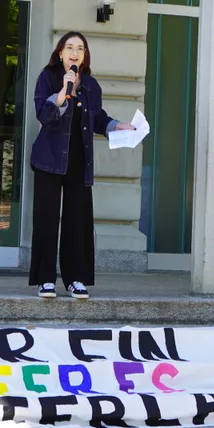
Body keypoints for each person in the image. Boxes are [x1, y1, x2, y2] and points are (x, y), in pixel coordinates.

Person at [29, 32, 134, 300]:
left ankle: (75, 279)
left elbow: (97, 118)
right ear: (60, 53)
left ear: (85, 55)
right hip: (49, 160)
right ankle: (45, 280)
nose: (75, 53)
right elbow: (44, 115)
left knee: (78, 221)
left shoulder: (91, 86)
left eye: (80, 48)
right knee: (47, 220)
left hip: (79, 161)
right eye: (70, 48)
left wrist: (116, 126)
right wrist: (62, 93)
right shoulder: (48, 78)